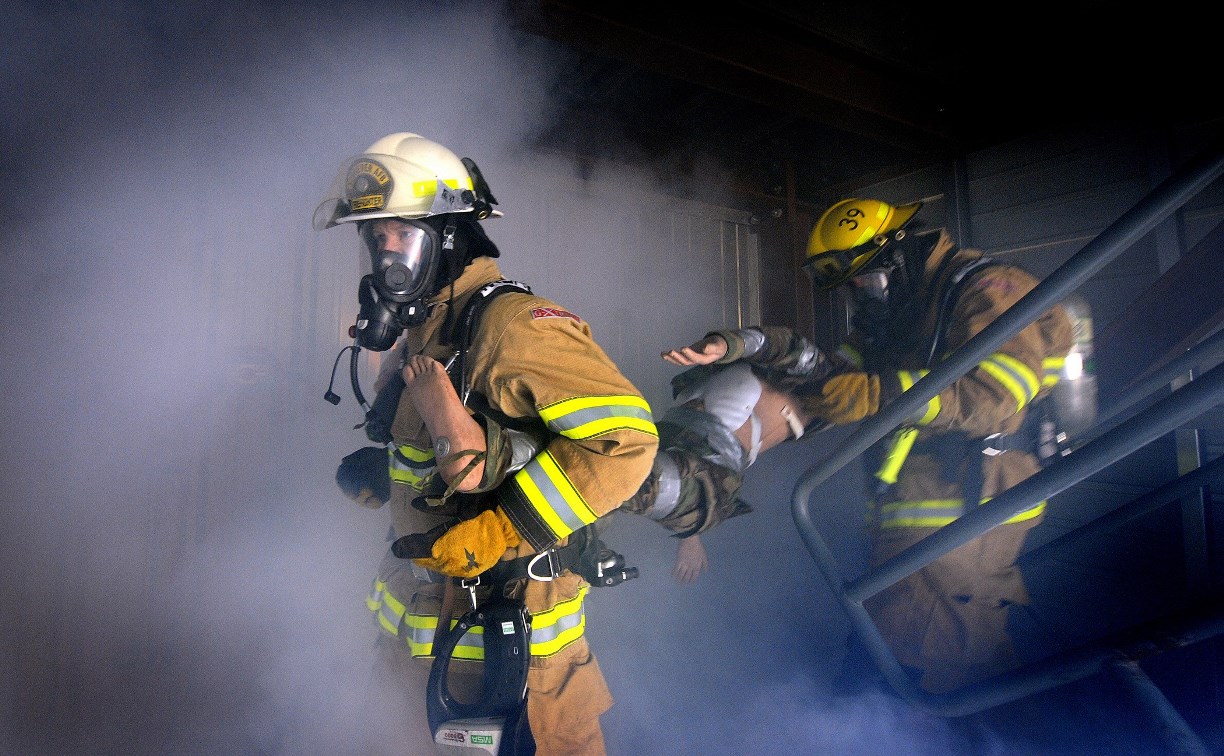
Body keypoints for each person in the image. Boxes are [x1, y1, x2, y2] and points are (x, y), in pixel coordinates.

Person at [316, 132, 659, 755]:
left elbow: (626, 443)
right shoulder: (429, 332)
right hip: (423, 651)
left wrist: (506, 528)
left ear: (449, 236)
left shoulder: (513, 326)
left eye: (401, 235)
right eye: (375, 237)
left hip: (516, 659)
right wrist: (394, 478)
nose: (385, 255)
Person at [662, 197, 1073, 694]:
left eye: (865, 279)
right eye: (850, 286)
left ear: (899, 253)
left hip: (971, 492)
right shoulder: (894, 314)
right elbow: (827, 380)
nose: (859, 294)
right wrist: (741, 347)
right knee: (898, 633)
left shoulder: (991, 288)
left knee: (936, 650)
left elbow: (994, 394)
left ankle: (955, 726)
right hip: (915, 495)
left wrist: (875, 395)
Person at [622, 335, 826, 583]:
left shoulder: (821, 407)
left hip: (694, 450)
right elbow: (766, 342)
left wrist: (690, 534)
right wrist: (727, 345)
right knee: (620, 479)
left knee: (622, 480)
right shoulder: (816, 367)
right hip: (704, 439)